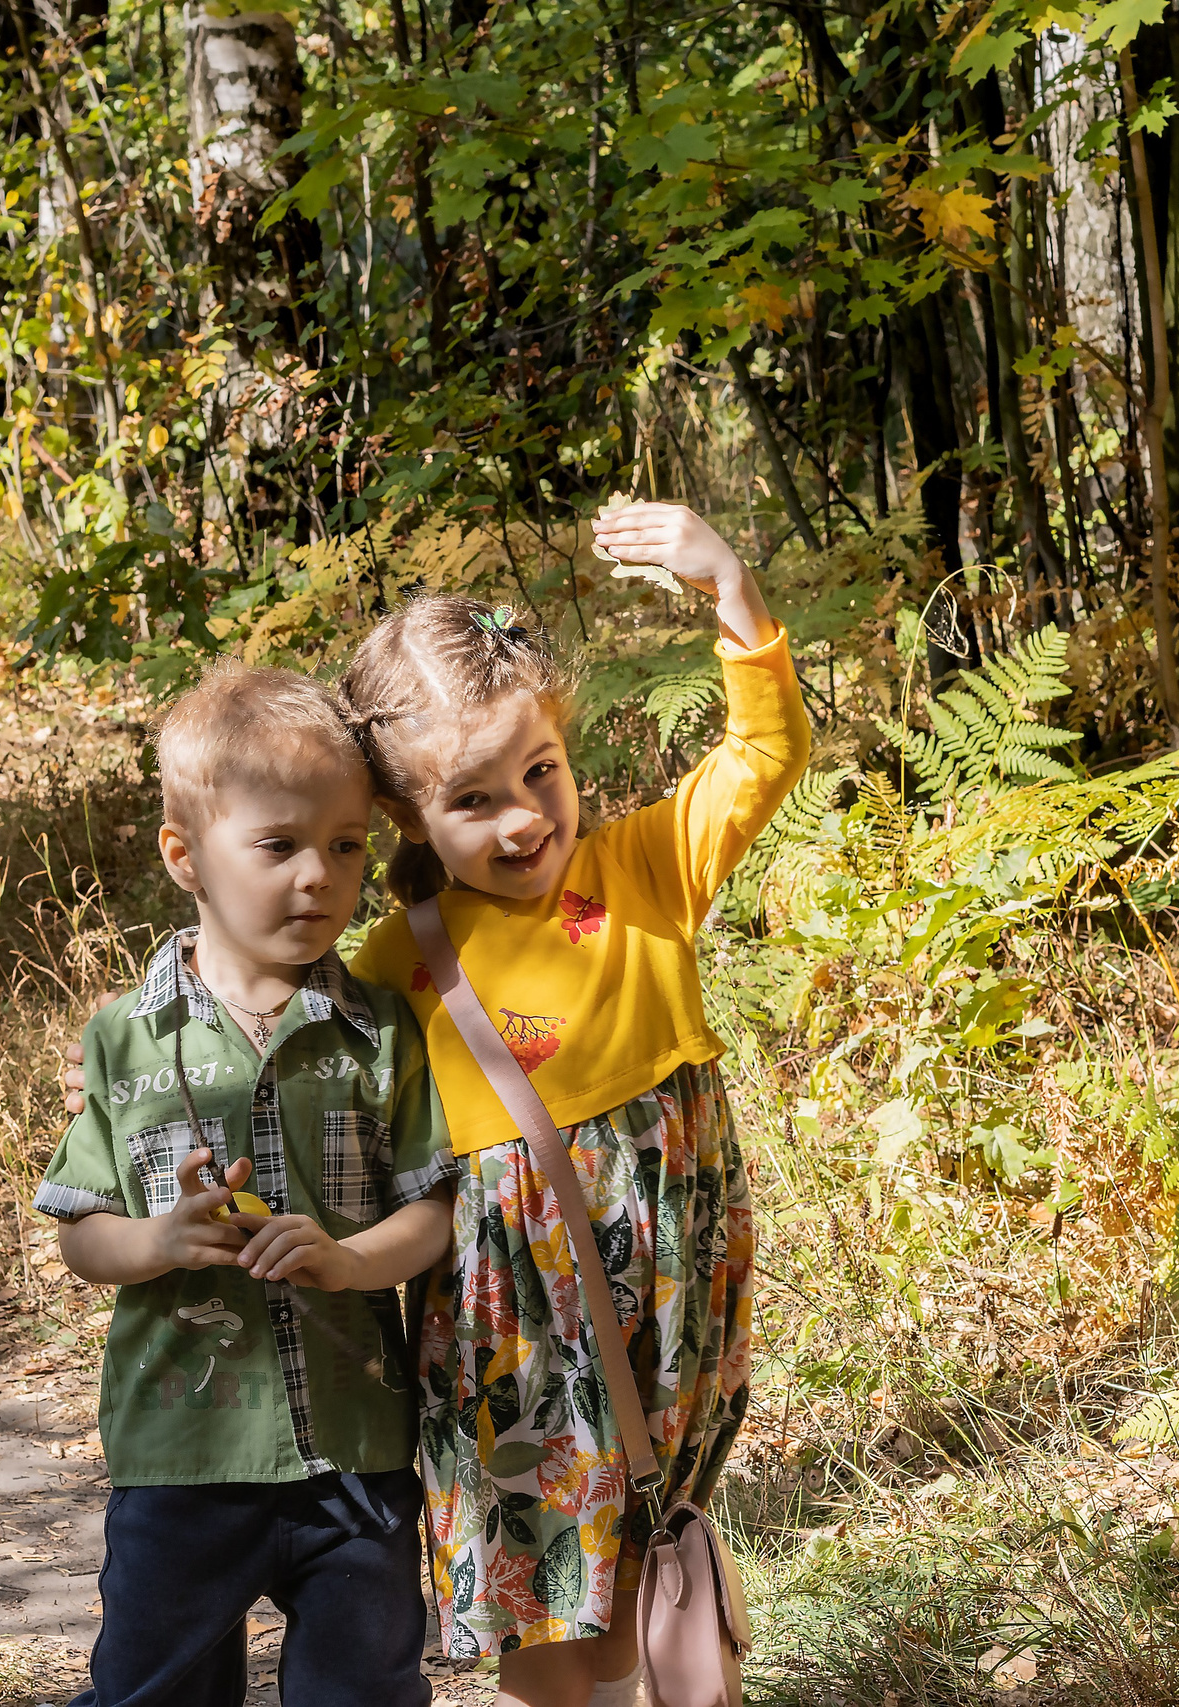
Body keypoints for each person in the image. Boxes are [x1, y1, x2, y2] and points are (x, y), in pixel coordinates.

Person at [339, 503, 810, 1707]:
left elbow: (761, 757)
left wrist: (730, 590)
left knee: (661, 1520)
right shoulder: (398, 962)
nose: (526, 818)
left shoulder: (643, 870)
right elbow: (316, 1097)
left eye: (540, 771)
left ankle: (682, 1665)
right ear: (405, 821)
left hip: (669, 1283)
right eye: (474, 800)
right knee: (546, 1566)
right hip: (514, 1315)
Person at [37, 660, 455, 1707]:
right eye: (277, 846)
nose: (318, 875)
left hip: (355, 1453)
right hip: (181, 1458)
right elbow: (81, 1234)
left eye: (347, 845)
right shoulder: (126, 1041)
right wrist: (163, 1241)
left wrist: (351, 1259)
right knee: (154, 1691)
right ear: (185, 855)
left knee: (362, 1693)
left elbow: (434, 1208)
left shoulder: (381, 1033)